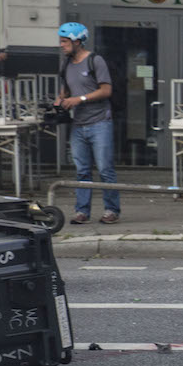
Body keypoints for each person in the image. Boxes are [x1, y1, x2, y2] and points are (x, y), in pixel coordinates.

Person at [57, 22, 120, 225]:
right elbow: (65, 90)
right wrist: (60, 100)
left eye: (65, 41)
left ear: (77, 41)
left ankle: (111, 209)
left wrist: (80, 99)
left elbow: (106, 90)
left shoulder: (95, 61)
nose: (62, 45)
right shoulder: (66, 64)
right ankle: (82, 211)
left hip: (100, 121)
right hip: (78, 124)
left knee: (104, 169)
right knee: (82, 170)